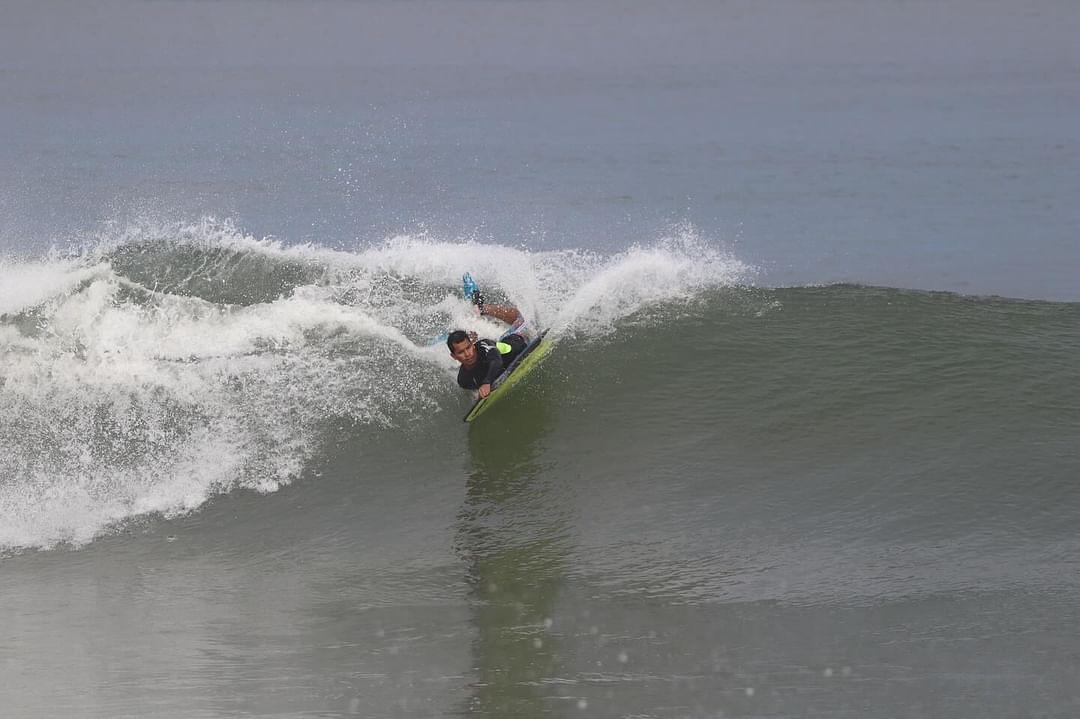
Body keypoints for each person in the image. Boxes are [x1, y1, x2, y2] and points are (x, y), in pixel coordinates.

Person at [447, 292, 530, 399]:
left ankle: (481, 308)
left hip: (520, 338)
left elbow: (497, 361)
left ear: (473, 345)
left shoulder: (483, 345)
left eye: (468, 348)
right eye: (461, 352)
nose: (467, 354)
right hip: (501, 347)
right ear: (454, 356)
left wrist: (487, 382)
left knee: (521, 318)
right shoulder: (463, 380)